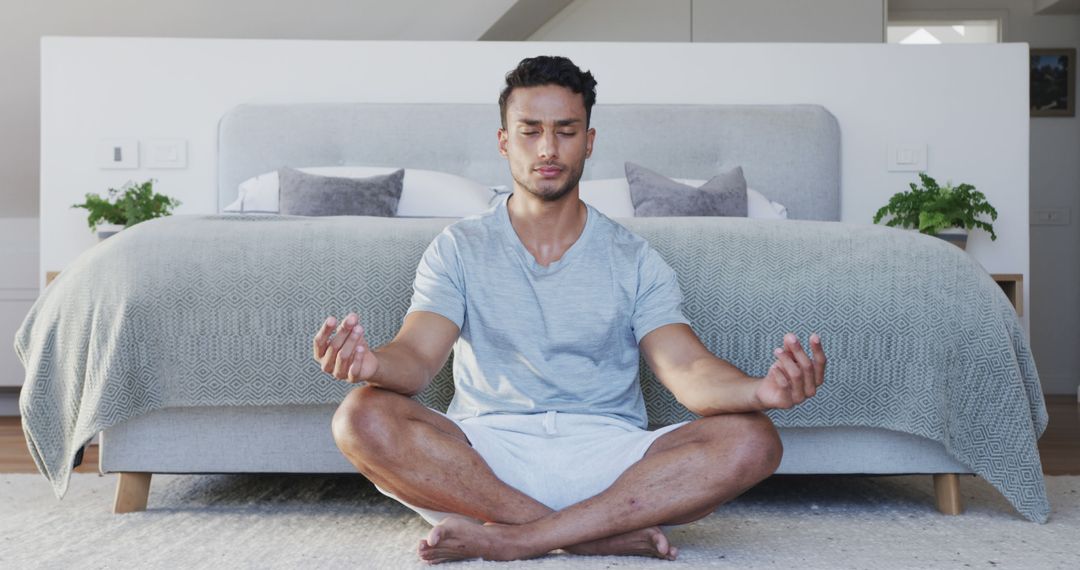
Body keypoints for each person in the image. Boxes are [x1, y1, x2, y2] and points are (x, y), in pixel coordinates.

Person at [312, 55, 827, 564]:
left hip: (609, 459)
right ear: (504, 141)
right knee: (360, 416)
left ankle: (518, 537)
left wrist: (759, 391)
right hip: (483, 457)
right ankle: (587, 534)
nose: (548, 149)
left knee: (754, 438)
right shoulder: (458, 247)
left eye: (565, 130)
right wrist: (372, 365)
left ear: (589, 140)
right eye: (530, 131)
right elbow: (417, 356)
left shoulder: (634, 257)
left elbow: (687, 369)